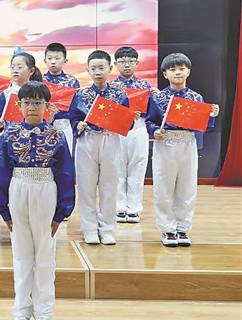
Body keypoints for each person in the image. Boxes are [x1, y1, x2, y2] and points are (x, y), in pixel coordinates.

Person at [0, 81, 75, 320]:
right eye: (27, 102)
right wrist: (3, 209)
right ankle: (21, 309)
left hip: (45, 191)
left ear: (47, 106)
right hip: (18, 189)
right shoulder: (9, 135)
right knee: (21, 254)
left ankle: (43, 310)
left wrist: (62, 212)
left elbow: (65, 174)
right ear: (19, 105)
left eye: (38, 103)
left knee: (44, 254)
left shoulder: (57, 136)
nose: (32, 107)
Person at [145, 53, 219, 247]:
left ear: (188, 71)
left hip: (188, 144)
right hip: (165, 144)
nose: (177, 72)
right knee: (164, 187)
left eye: (181, 69)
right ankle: (167, 229)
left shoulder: (196, 98)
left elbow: (205, 126)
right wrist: (155, 131)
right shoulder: (158, 97)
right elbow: (150, 121)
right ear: (165, 74)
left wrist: (211, 115)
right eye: (172, 69)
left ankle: (183, 228)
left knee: (187, 187)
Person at [68, 50, 129, 246]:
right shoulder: (81, 95)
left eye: (101, 68)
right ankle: (89, 229)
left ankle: (107, 228)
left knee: (109, 186)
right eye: (93, 68)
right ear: (88, 70)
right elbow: (73, 117)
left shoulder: (119, 94)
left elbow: (126, 122)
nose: (98, 72)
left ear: (110, 68)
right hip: (88, 140)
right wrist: (78, 125)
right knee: (86, 186)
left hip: (111, 140)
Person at [110, 47, 152, 224]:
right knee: (117, 168)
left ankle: (134, 208)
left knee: (138, 168)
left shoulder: (146, 86)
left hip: (139, 128)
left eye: (130, 61)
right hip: (117, 129)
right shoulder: (110, 86)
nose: (126, 65)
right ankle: (119, 206)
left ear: (137, 63)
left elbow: (152, 112)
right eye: (122, 62)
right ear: (115, 64)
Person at [0, 50, 45, 132]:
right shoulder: (6, 93)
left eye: (19, 67)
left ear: (31, 71)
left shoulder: (38, 92)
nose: (15, 71)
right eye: (12, 67)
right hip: (11, 135)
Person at [43, 43, 80, 148]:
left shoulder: (72, 81)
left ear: (65, 61)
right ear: (45, 61)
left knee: (65, 153)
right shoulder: (39, 80)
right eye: (50, 58)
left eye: (57, 58)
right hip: (42, 124)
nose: (53, 61)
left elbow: (76, 106)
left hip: (64, 124)